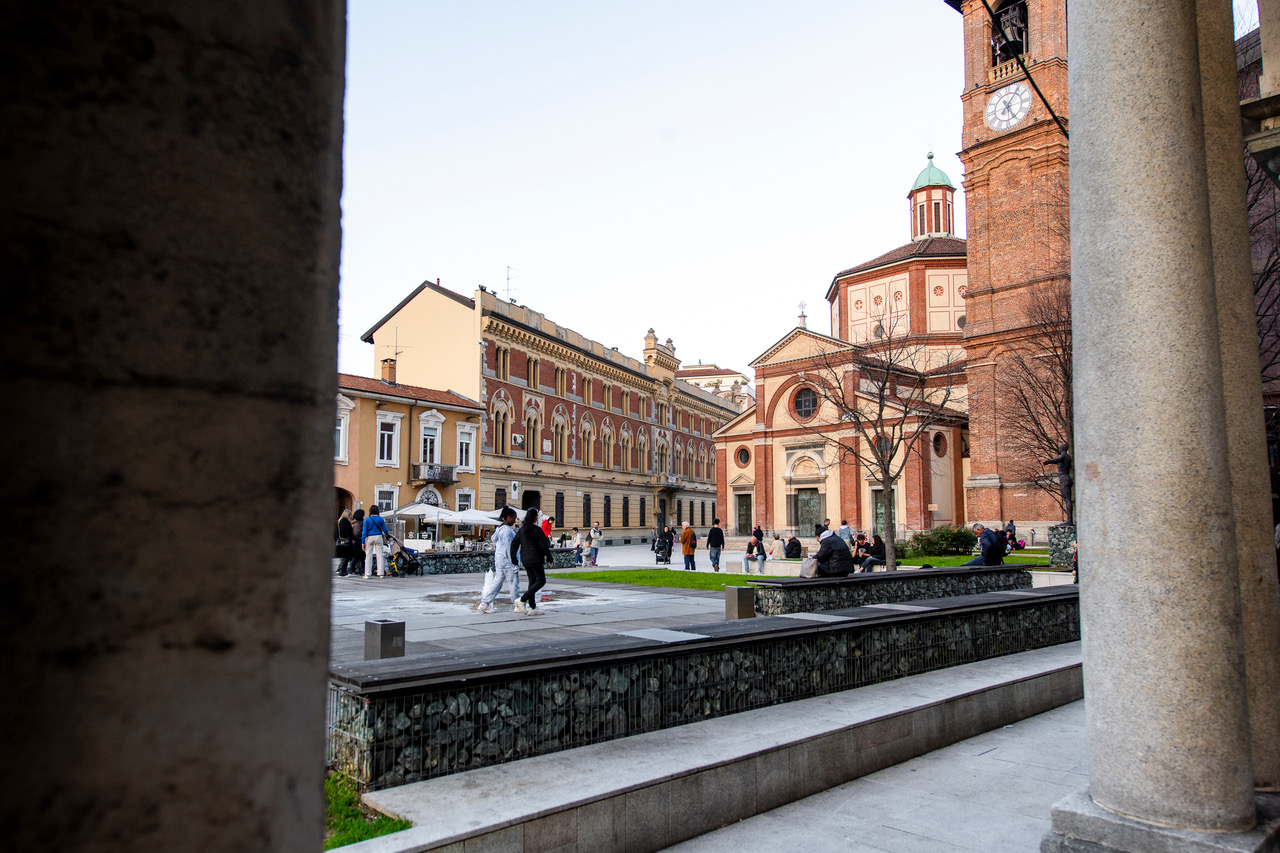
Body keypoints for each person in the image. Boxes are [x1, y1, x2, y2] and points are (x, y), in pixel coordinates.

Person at [476, 507, 521, 614]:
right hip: (507, 562)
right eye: (514, 518)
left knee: (497, 583)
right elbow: (508, 547)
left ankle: (485, 603)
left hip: (499, 561)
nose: (515, 521)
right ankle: (518, 604)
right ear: (508, 517)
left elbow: (494, 539)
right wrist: (514, 561)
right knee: (513, 583)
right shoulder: (506, 531)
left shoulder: (499, 529)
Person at [517, 508, 553, 615]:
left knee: (532, 582)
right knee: (541, 581)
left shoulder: (522, 530)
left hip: (526, 559)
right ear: (535, 517)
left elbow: (514, 543)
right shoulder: (537, 530)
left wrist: (514, 558)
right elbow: (543, 546)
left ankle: (532, 608)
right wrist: (550, 558)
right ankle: (522, 599)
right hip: (536, 559)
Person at [361, 505, 391, 578]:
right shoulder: (380, 519)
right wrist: (387, 535)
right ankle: (381, 573)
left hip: (369, 537)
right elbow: (385, 530)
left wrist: (363, 542)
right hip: (378, 537)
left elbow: (364, 532)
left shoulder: (367, 519)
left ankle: (367, 574)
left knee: (368, 556)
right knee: (380, 555)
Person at [334, 509, 356, 576]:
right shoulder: (346, 522)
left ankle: (340, 570)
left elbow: (335, 533)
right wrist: (355, 539)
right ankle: (343, 572)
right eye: (350, 515)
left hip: (339, 541)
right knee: (345, 557)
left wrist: (336, 540)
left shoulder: (338, 522)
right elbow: (349, 533)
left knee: (342, 557)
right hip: (346, 542)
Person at [351, 508, 366, 572]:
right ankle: (353, 569)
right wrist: (364, 532)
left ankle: (353, 569)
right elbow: (356, 532)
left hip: (356, 541)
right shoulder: (357, 523)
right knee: (359, 556)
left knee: (357, 556)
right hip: (358, 541)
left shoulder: (354, 522)